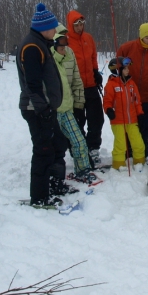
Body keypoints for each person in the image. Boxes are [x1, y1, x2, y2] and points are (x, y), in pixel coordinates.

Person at [16, 3, 64, 206]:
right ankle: (39, 196)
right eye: (53, 28)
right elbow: (32, 83)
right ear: (44, 28)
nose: (55, 31)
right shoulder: (32, 47)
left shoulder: (40, 44)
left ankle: (53, 185)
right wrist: (42, 108)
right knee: (43, 150)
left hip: (45, 107)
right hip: (36, 109)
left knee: (57, 145)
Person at [51, 24, 95, 185]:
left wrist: (79, 104)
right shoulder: (47, 58)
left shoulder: (69, 54)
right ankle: (54, 179)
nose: (65, 47)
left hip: (68, 109)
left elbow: (77, 81)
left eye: (66, 42)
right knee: (56, 147)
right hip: (52, 111)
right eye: (61, 44)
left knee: (79, 141)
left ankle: (82, 170)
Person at [116, 23, 148, 159]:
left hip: (146, 96)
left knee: (145, 126)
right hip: (128, 95)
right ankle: (129, 150)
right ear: (141, 36)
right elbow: (117, 64)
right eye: (147, 37)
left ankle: (143, 151)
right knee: (130, 125)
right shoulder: (127, 48)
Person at [65, 10, 105, 166]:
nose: (80, 27)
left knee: (97, 118)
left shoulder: (88, 38)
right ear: (71, 25)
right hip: (76, 87)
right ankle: (78, 150)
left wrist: (96, 71)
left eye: (82, 24)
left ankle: (93, 147)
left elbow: (93, 56)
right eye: (76, 24)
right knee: (77, 121)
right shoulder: (66, 40)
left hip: (91, 85)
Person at [102, 56, 146, 171]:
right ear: (117, 70)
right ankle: (118, 163)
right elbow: (107, 101)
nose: (128, 70)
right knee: (120, 144)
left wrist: (140, 114)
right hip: (118, 120)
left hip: (132, 119)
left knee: (138, 142)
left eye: (128, 68)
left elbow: (137, 101)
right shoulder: (111, 85)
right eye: (125, 68)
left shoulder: (131, 84)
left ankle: (139, 161)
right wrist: (108, 110)